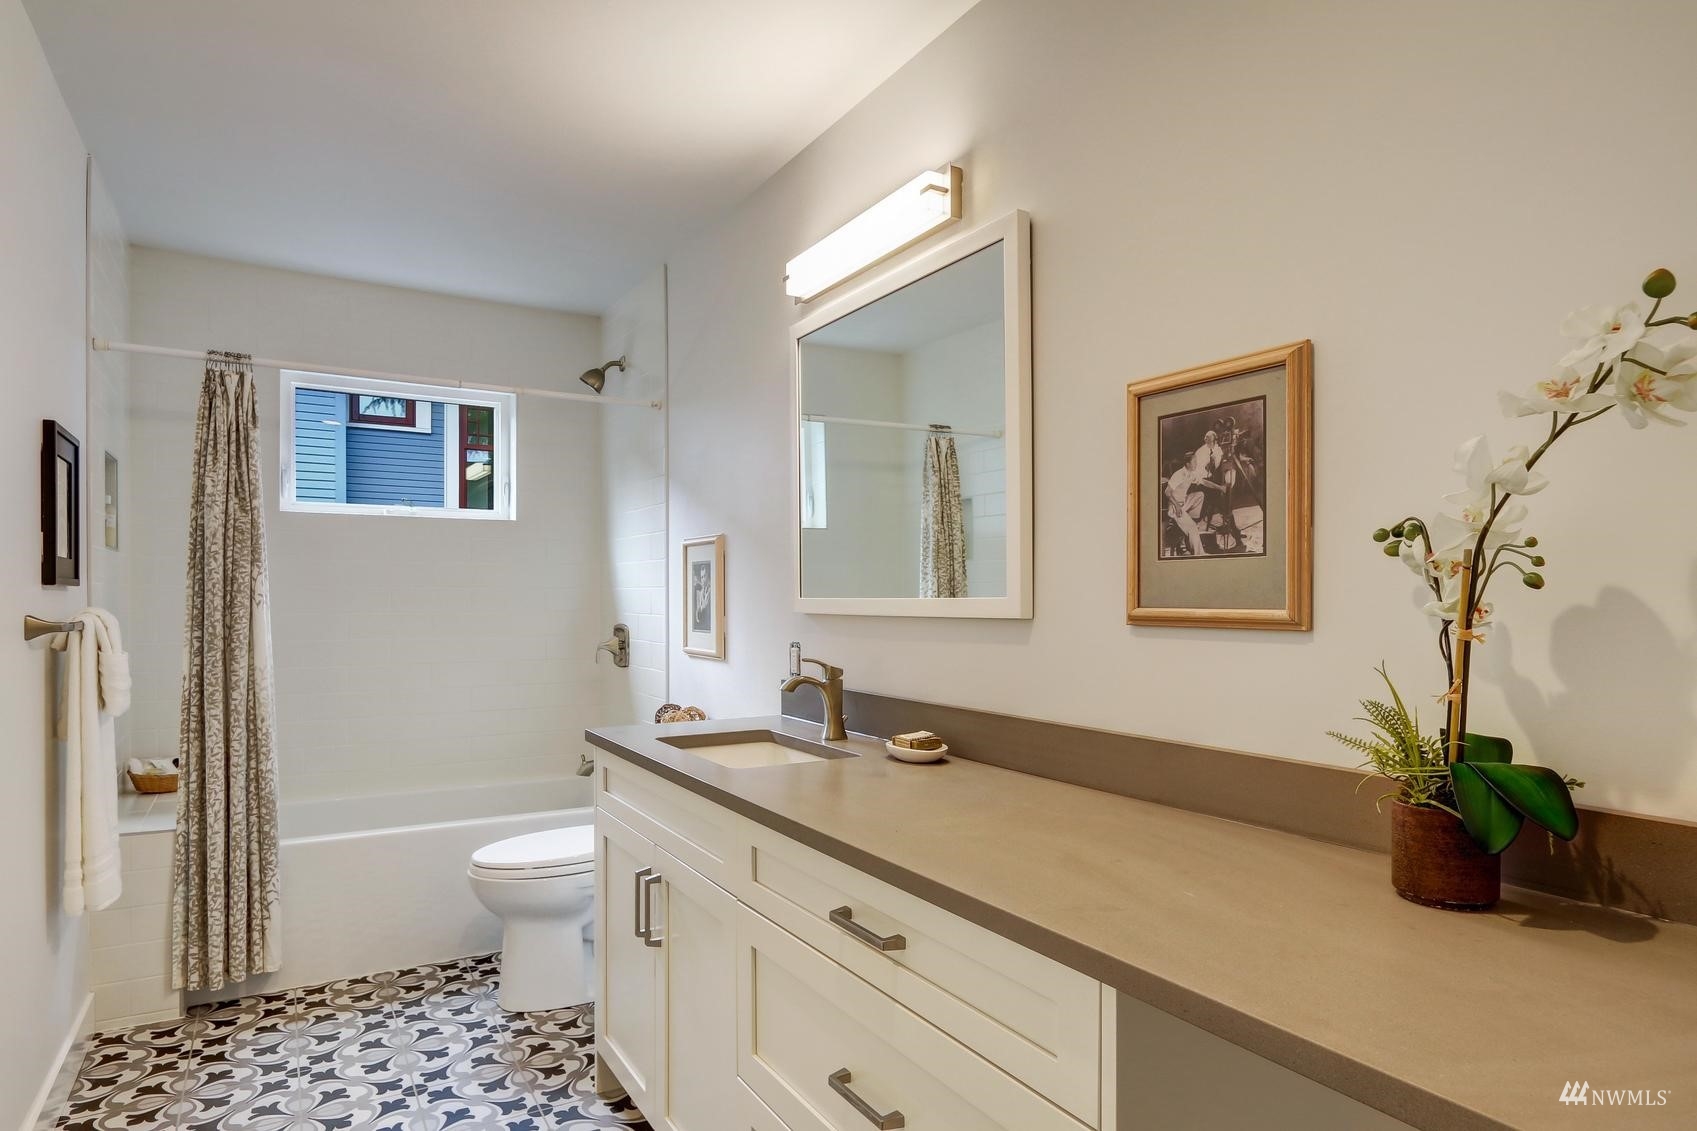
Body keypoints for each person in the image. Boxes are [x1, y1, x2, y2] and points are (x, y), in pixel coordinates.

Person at [1164, 446, 1228, 556]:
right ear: (1187, 464)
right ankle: (1199, 554)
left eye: (1197, 461)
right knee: (1192, 528)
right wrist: (1177, 507)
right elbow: (1167, 492)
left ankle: (1191, 520)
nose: (1196, 464)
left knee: (1200, 495)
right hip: (1174, 507)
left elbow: (1204, 482)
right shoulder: (1179, 474)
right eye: (1194, 462)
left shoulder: (1191, 474)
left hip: (1183, 503)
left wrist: (1220, 488)